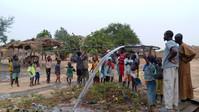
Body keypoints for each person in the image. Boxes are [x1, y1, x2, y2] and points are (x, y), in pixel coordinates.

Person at [175, 33, 196, 101]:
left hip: (185, 66)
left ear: (179, 39)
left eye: (176, 38)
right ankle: (185, 96)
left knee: (184, 80)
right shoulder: (179, 46)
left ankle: (185, 97)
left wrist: (186, 60)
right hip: (181, 65)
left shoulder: (184, 45)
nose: (175, 39)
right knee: (182, 80)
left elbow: (193, 53)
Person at [162, 30, 179, 111]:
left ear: (168, 36)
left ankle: (168, 107)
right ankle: (174, 104)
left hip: (168, 68)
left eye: (164, 35)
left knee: (168, 86)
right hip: (174, 67)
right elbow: (175, 51)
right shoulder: (175, 44)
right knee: (174, 87)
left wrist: (169, 58)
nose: (163, 36)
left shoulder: (169, 43)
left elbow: (174, 51)